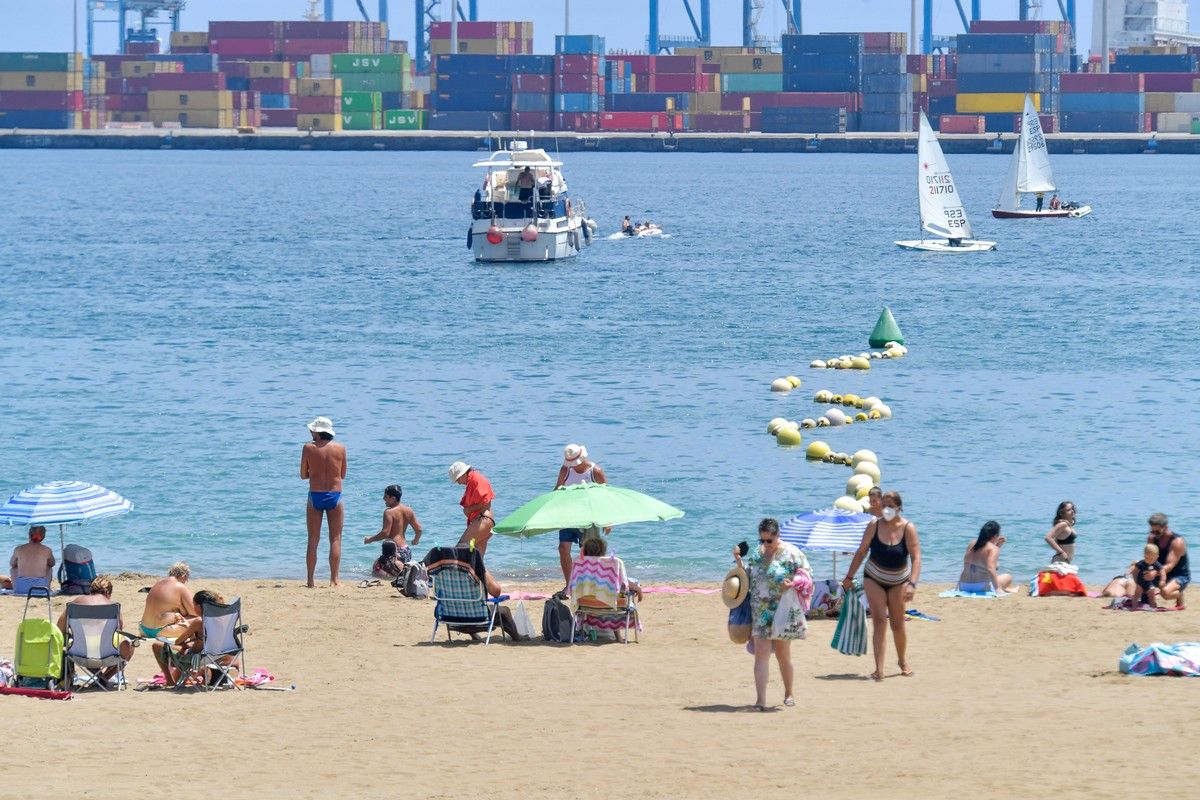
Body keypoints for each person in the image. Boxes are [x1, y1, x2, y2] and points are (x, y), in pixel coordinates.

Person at [732, 518, 811, 710]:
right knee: (761, 655)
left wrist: (792, 584)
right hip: (760, 611)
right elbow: (747, 578)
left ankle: (789, 693)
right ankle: (760, 700)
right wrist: (738, 561)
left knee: (783, 655)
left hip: (783, 610)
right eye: (762, 540)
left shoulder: (792, 554)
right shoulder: (757, 556)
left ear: (778, 535)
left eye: (769, 540)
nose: (766, 545)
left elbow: (807, 577)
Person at [842, 491, 921, 681]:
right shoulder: (873, 525)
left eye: (890, 506)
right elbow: (861, 552)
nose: (886, 510)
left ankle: (902, 661)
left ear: (898, 508)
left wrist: (912, 584)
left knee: (898, 623)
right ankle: (879, 669)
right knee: (879, 621)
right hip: (874, 577)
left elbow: (916, 557)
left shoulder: (908, 527)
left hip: (899, 580)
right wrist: (849, 577)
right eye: (883, 506)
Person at [56, 575, 136, 683]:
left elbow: (60, 628)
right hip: (107, 654)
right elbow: (118, 630)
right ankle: (104, 679)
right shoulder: (113, 606)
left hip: (79, 654)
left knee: (74, 643)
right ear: (108, 593)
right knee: (131, 646)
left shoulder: (75, 603)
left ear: (91, 590)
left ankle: (100, 679)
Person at [554, 443, 608, 592]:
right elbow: (556, 492)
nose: (573, 466)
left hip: (590, 518)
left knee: (590, 552)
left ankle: (593, 585)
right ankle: (569, 585)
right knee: (563, 548)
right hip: (568, 516)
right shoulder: (565, 471)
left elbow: (607, 497)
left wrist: (608, 521)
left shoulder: (595, 471)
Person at [301, 415, 347, 588]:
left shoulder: (308, 448)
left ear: (319, 433)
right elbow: (342, 475)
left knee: (313, 539)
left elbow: (303, 475)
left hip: (315, 495)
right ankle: (334, 580)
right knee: (335, 538)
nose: (311, 432)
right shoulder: (340, 448)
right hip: (335, 495)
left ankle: (311, 581)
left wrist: (316, 473)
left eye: (312, 430)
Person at [576, 535, 642, 642]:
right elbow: (624, 584)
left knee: (609, 594)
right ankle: (618, 637)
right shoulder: (612, 563)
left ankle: (584, 632)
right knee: (613, 596)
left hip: (585, 607)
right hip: (612, 606)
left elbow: (575, 586)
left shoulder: (580, 565)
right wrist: (638, 589)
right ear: (603, 551)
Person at [164, 589, 237, 685]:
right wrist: (189, 627)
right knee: (188, 646)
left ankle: (173, 682)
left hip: (200, 656)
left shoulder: (198, 621)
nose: (193, 608)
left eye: (194, 605)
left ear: (199, 606)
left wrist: (187, 631)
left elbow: (178, 641)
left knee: (163, 646)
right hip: (222, 652)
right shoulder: (223, 619)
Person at [140, 563, 198, 676]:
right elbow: (195, 613)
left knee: (185, 618)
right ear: (184, 576)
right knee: (197, 620)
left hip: (144, 629)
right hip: (162, 630)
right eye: (187, 579)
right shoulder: (180, 587)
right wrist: (182, 612)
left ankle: (171, 672)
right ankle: (186, 662)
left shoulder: (157, 584)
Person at [363, 484, 422, 564]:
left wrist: (370, 539)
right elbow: (419, 530)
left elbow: (385, 533)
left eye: (386, 496)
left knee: (377, 570)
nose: (383, 498)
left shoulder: (389, 512)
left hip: (395, 553)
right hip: (406, 550)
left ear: (393, 498)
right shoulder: (409, 510)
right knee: (400, 574)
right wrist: (415, 541)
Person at [450, 461, 495, 556]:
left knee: (460, 549)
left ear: (462, 474)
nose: (458, 483)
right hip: (485, 522)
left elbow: (484, 502)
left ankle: (452, 569)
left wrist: (468, 510)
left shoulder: (475, 479)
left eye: (457, 479)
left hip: (483, 520)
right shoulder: (473, 480)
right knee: (477, 562)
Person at [958, 521, 1013, 593]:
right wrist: (997, 589)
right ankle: (1004, 588)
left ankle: (1007, 588)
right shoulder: (993, 549)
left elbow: (976, 562)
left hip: (963, 586)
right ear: (995, 536)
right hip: (980, 587)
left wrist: (997, 545)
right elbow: (991, 568)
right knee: (1008, 577)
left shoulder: (972, 543)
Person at [1148, 513, 1188, 608]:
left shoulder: (1177, 542)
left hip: (1178, 575)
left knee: (1165, 593)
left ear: (1165, 527)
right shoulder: (1151, 538)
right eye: (1152, 531)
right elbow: (1149, 558)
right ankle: (1149, 602)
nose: (1153, 534)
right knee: (1137, 568)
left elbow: (1169, 566)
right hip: (1159, 572)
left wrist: (1154, 573)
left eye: (1157, 532)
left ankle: (1179, 594)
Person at [9, 525, 55, 595]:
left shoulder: (18, 549)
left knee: (13, 569)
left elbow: (12, 564)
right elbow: (52, 563)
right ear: (43, 536)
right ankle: (48, 588)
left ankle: (15, 588)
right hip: (41, 588)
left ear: (29, 534)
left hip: (22, 588)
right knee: (49, 568)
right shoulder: (47, 550)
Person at [1129, 543, 1163, 608]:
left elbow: (1162, 571)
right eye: (1146, 558)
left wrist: (1163, 580)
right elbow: (1135, 571)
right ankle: (1134, 607)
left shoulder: (1156, 564)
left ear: (1157, 557)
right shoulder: (1141, 563)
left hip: (1150, 584)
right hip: (1140, 583)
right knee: (1136, 595)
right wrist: (1135, 580)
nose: (1149, 560)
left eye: (1151, 558)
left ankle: (1153, 607)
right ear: (1144, 555)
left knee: (1151, 596)